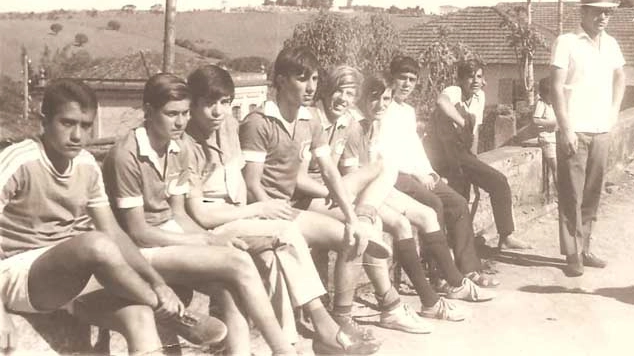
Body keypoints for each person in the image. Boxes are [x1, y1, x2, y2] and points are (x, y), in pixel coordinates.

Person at [0, 79, 226, 355]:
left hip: (70, 277)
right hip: (20, 273)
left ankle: (157, 305)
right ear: (44, 121)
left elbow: (115, 233)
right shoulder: (20, 160)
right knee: (94, 243)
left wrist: (158, 282)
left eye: (85, 125)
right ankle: (172, 313)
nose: (77, 136)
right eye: (67, 123)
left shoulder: (85, 165)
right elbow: (101, 241)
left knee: (139, 316)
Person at [182, 64, 379, 354]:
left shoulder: (228, 129)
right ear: (193, 104)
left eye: (224, 103)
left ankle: (287, 346)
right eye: (209, 104)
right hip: (215, 226)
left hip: (241, 217)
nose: (218, 112)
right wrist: (258, 209)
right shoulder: (187, 143)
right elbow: (202, 215)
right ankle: (322, 324)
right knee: (285, 233)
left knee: (274, 257)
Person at [102, 73, 296, 356]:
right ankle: (283, 350)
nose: (180, 122)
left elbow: (179, 214)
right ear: (147, 111)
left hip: (169, 239)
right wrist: (205, 243)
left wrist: (210, 238)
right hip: (137, 253)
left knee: (229, 287)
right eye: (171, 114)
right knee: (239, 263)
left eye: (184, 113)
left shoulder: (177, 146)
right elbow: (138, 232)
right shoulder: (127, 155)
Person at [238, 47, 410, 345]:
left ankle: (340, 319)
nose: (311, 86)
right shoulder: (258, 122)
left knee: (353, 235)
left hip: (293, 210)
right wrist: (272, 213)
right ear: (280, 80)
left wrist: (353, 216)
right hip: (264, 212)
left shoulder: (309, 120)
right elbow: (252, 185)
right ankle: (326, 332)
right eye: (302, 79)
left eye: (315, 79)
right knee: (299, 239)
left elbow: (330, 172)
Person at [301, 66, 477, 330]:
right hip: (344, 194)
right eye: (340, 91)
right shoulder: (346, 124)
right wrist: (339, 195)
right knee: (382, 219)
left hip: (358, 191)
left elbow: (339, 171)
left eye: (385, 99)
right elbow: (337, 174)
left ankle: (445, 288)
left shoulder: (351, 124)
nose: (380, 104)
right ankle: (404, 303)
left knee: (424, 212)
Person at [379, 55, 500, 289]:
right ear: (391, 79)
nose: (406, 84)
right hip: (394, 176)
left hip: (417, 173)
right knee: (433, 205)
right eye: (401, 78)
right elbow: (387, 152)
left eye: (411, 80)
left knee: (458, 202)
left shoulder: (407, 111)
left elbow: (414, 147)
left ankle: (469, 269)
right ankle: (438, 275)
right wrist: (417, 174)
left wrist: (430, 173)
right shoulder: (383, 108)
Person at [550, 0, 625, 277]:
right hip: (575, 129)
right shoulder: (566, 42)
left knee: (593, 193)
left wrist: (614, 112)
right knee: (571, 194)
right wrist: (565, 127)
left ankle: (585, 247)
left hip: (600, 129)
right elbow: (556, 88)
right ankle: (572, 253)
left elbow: (620, 77)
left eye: (607, 12)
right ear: (583, 11)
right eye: (597, 12)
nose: (603, 17)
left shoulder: (612, 44)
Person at [430, 57, 531, 250]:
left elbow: (475, 131)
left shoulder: (480, 97)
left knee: (498, 182)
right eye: (469, 76)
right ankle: (457, 246)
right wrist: (462, 122)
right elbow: (441, 102)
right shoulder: (454, 91)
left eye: (478, 76)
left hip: (463, 155)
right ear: (460, 79)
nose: (475, 81)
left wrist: (474, 162)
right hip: (442, 154)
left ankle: (505, 236)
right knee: (460, 195)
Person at [533, 77, 558, 196]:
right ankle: (561, 194)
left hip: (555, 139)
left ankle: (559, 193)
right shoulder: (541, 104)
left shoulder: (552, 105)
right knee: (556, 168)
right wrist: (551, 124)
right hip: (547, 140)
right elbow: (535, 120)